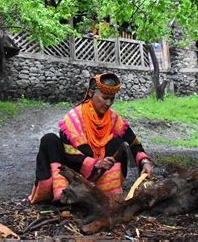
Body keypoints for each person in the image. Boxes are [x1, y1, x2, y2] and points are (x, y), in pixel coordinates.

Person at [28, 73, 153, 204]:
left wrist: (145, 162)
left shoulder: (114, 119)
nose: (108, 103)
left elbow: (134, 142)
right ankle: (62, 193)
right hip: (75, 171)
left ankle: (107, 192)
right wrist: (95, 163)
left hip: (100, 173)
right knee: (49, 139)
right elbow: (70, 154)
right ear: (91, 93)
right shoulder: (73, 118)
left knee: (119, 144)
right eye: (105, 98)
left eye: (112, 99)